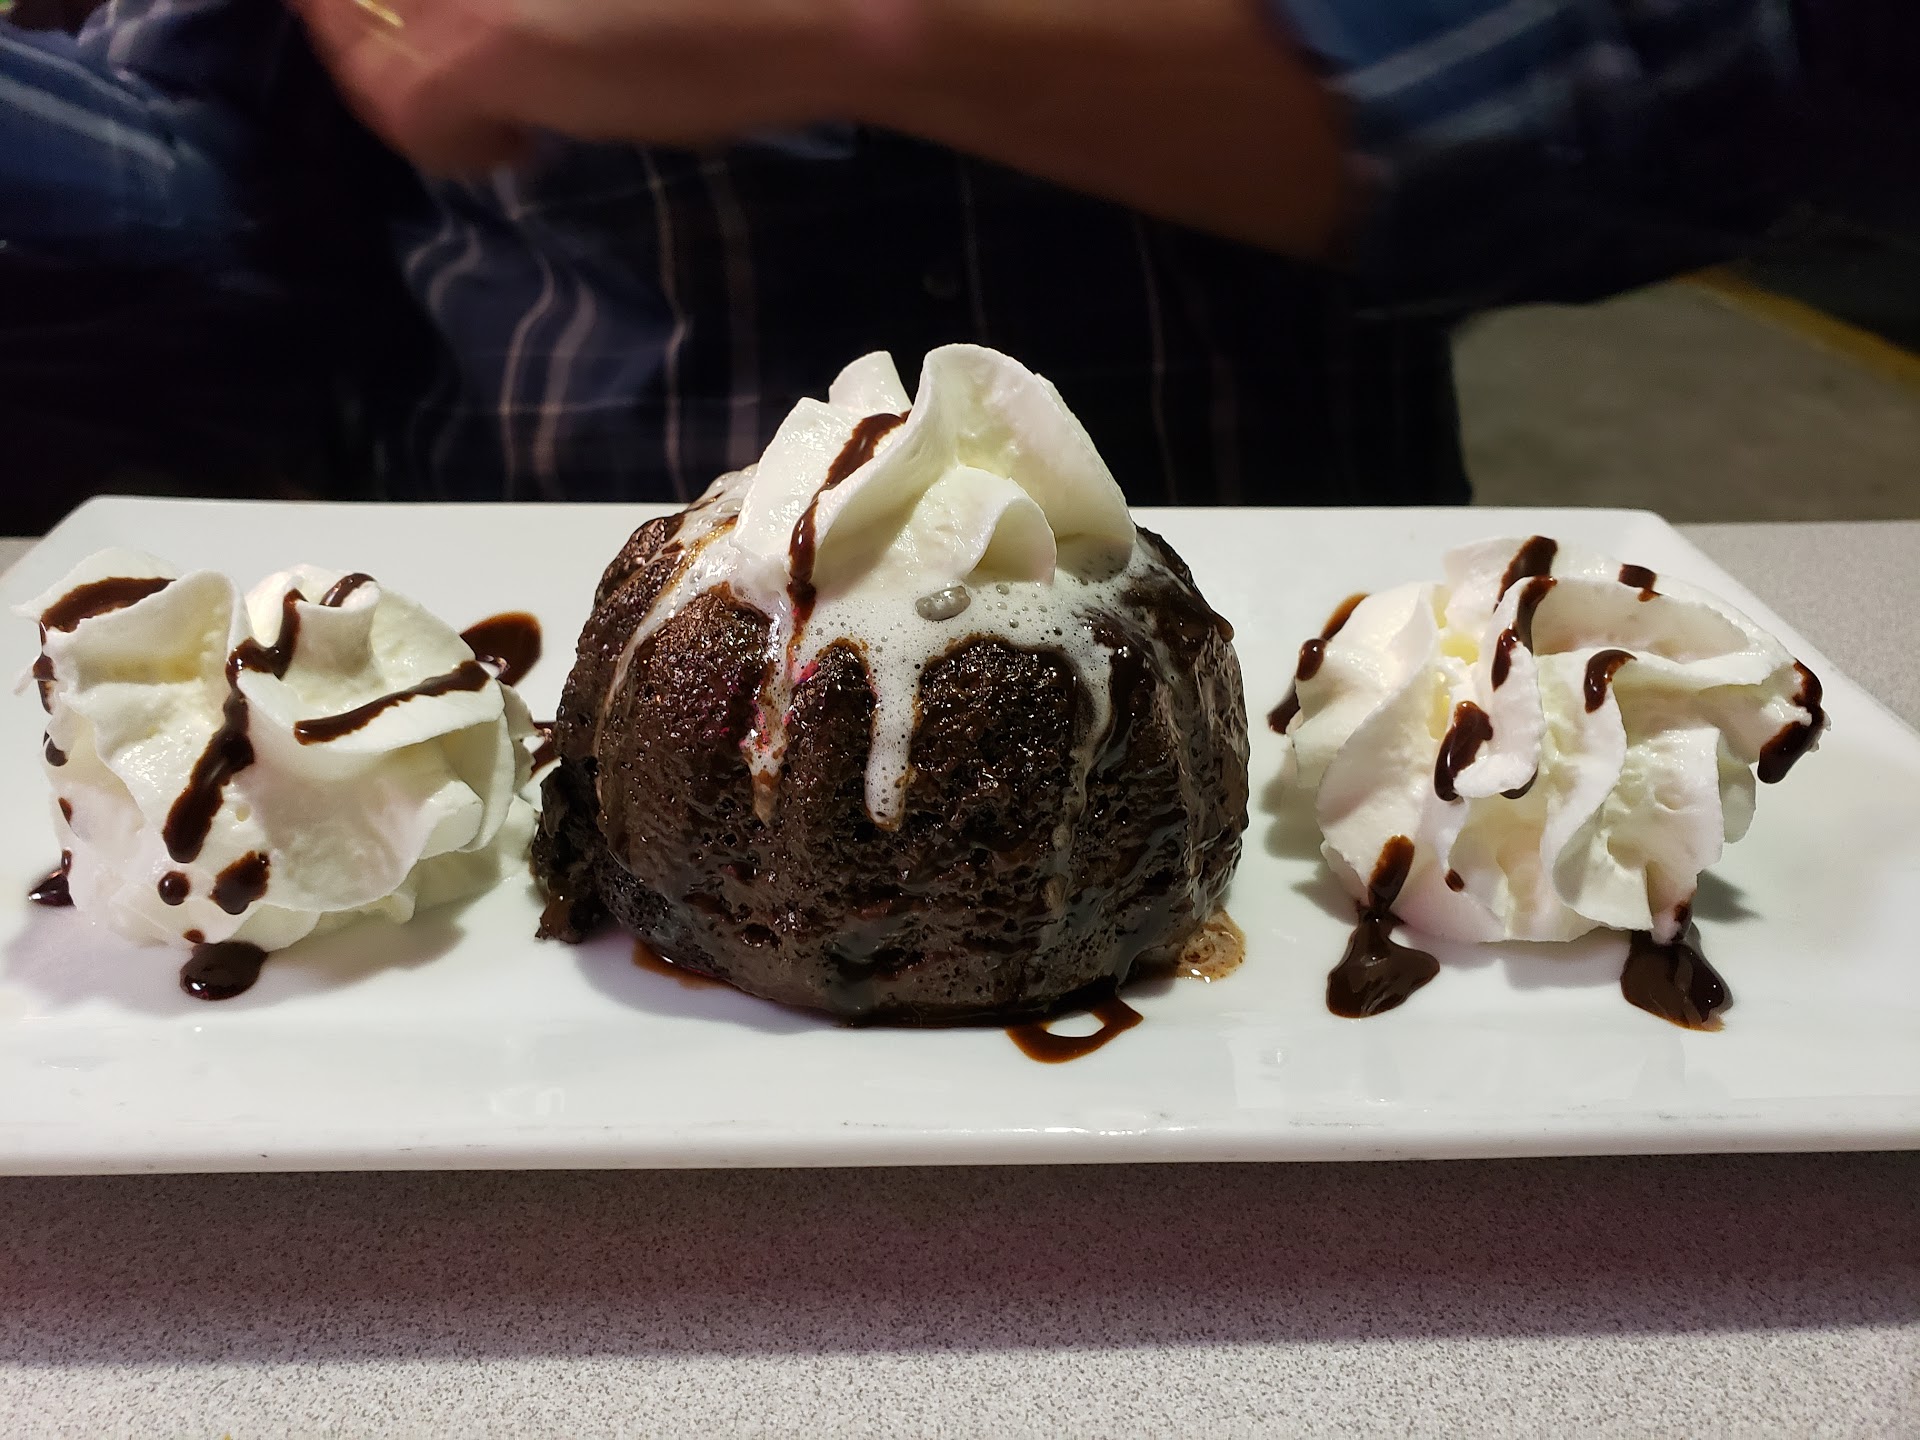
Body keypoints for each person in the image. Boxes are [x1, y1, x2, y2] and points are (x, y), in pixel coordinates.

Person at [1, 0, 1892, 512]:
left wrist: (883, 26)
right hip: (539, 712)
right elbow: (232, 209)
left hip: (1282, 732)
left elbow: (1729, 76)